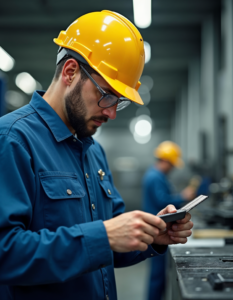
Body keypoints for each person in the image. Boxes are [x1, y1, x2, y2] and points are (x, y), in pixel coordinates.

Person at [0, 11, 193, 300]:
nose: (112, 112)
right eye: (106, 95)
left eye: (120, 102)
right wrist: (101, 237)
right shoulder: (12, 140)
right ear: (70, 72)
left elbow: (111, 239)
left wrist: (149, 234)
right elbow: (6, 252)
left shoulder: (93, 150)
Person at [142, 141, 196, 300]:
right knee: (157, 276)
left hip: (157, 229)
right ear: (165, 161)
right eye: (171, 165)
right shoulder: (155, 177)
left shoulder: (155, 175)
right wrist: (183, 197)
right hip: (156, 230)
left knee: (158, 275)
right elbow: (162, 201)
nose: (172, 169)